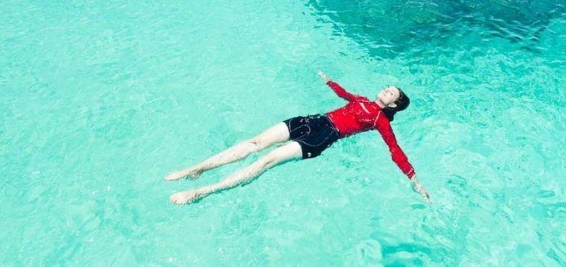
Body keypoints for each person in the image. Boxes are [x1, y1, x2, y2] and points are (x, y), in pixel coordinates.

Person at [166, 71, 430, 205]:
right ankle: (196, 169)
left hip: (322, 137)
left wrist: (414, 179)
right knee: (254, 143)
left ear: (393, 105)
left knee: (265, 161)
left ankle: (202, 192)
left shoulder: (380, 121)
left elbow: (395, 150)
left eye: (391, 93)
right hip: (311, 120)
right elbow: (344, 94)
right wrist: (329, 81)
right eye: (387, 87)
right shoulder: (361, 99)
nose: (385, 90)